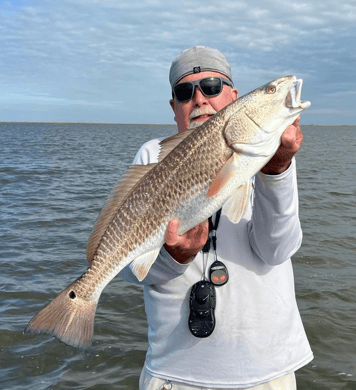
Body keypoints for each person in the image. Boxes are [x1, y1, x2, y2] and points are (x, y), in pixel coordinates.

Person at [121, 46, 313, 389]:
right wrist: (175, 257)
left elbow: (277, 250)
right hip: (175, 375)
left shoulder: (267, 148)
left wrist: (277, 170)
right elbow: (131, 269)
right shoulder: (153, 156)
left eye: (211, 86)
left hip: (268, 370)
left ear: (235, 97)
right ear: (174, 107)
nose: (199, 99)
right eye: (184, 92)